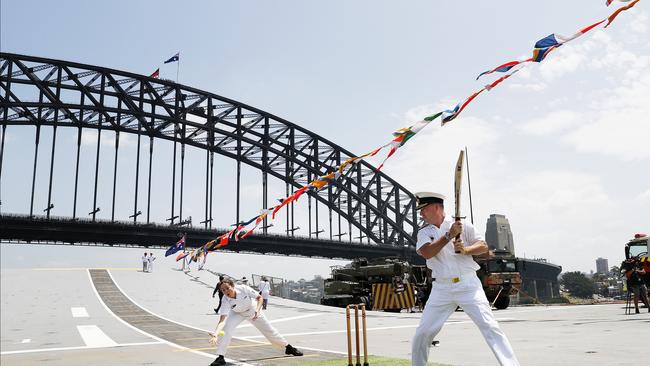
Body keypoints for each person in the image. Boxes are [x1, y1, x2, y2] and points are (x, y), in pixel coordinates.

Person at [411, 192, 519, 366]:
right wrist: (448, 236)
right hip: (442, 289)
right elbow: (427, 252)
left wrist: (467, 250)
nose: (421, 214)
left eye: (423, 210)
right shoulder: (424, 232)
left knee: (490, 326)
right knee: (423, 333)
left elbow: (483, 247)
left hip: (468, 284)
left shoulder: (463, 224)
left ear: (436, 207)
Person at [208, 278, 303, 366]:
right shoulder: (225, 299)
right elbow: (222, 320)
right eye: (223, 290)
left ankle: (288, 347)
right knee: (226, 330)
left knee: (269, 331)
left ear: (232, 286)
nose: (225, 291)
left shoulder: (243, 288)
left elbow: (259, 297)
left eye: (227, 288)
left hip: (252, 310)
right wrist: (216, 334)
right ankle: (220, 357)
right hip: (237, 313)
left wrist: (257, 310)